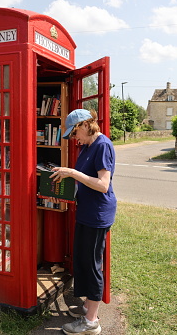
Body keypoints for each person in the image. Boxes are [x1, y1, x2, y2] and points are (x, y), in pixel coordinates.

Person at [49, 109, 117, 335]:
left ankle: (91, 322)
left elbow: (102, 184)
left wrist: (72, 172)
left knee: (92, 266)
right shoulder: (87, 146)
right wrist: (59, 188)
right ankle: (89, 307)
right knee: (82, 260)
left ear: (86, 125)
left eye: (75, 132)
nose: (74, 138)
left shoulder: (102, 145)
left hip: (98, 215)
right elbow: (82, 183)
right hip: (86, 211)